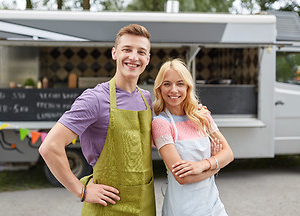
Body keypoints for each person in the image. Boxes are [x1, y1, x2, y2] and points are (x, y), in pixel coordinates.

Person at [39, 24, 156, 216]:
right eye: (127, 49)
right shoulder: (95, 99)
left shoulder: (146, 98)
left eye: (141, 52)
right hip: (108, 207)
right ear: (114, 53)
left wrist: (195, 113)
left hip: (144, 204)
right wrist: (81, 191)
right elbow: (50, 147)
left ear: (148, 59)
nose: (134, 57)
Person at [152, 58, 234, 216]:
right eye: (167, 84)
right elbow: (182, 178)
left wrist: (203, 164)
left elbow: (228, 153)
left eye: (180, 83)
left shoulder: (202, 116)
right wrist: (216, 165)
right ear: (159, 88)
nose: (174, 90)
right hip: (183, 209)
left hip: (213, 205)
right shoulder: (161, 124)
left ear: (188, 87)